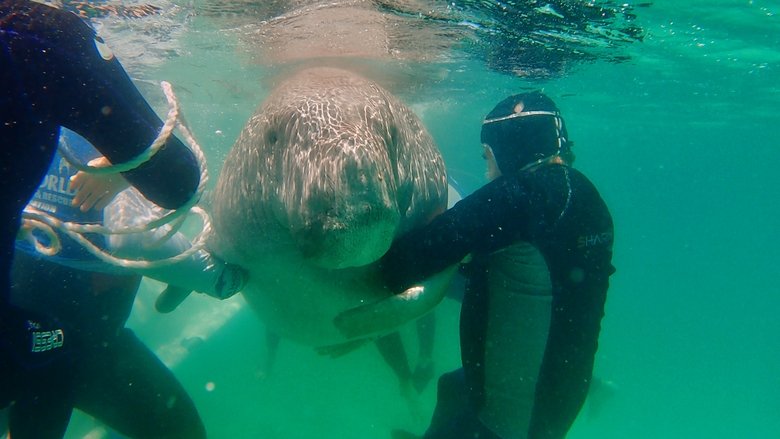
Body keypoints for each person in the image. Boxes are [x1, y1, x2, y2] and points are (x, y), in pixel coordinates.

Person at [1, 0, 199, 423]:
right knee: (51, 364)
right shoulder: (41, 35)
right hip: (52, 324)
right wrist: (126, 164)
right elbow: (178, 181)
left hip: (31, 306)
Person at [380, 91, 615, 439]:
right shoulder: (587, 196)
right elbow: (540, 270)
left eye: (487, 157)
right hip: (562, 393)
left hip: (510, 418)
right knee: (452, 386)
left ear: (510, 150)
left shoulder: (516, 197)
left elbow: (401, 266)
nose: (488, 171)